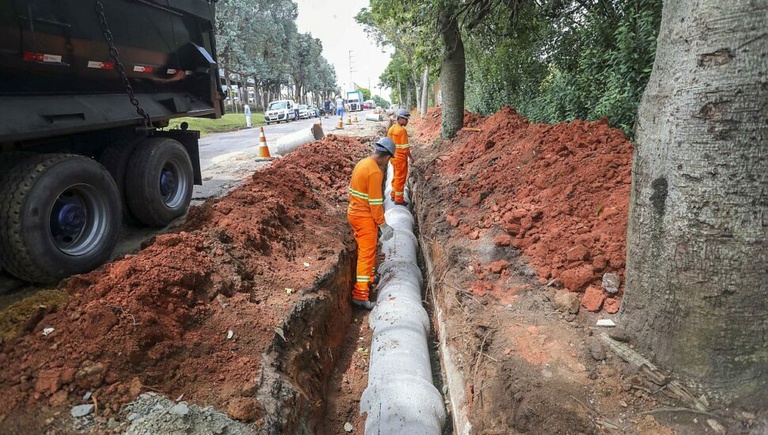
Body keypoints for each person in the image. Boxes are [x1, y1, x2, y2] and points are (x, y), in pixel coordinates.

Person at [347, 137, 396, 310]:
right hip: (364, 217)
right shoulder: (375, 172)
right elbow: (375, 204)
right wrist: (383, 225)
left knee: (366, 250)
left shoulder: (362, 163)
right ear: (386, 157)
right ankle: (360, 295)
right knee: (366, 255)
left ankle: (368, 278)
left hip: (354, 212)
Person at [387, 108, 413, 206]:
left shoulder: (391, 129)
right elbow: (405, 148)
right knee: (400, 178)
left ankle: (393, 194)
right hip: (400, 158)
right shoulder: (402, 131)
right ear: (401, 118)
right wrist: (411, 158)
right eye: (406, 119)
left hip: (392, 158)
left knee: (395, 176)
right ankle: (399, 199)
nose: (407, 121)